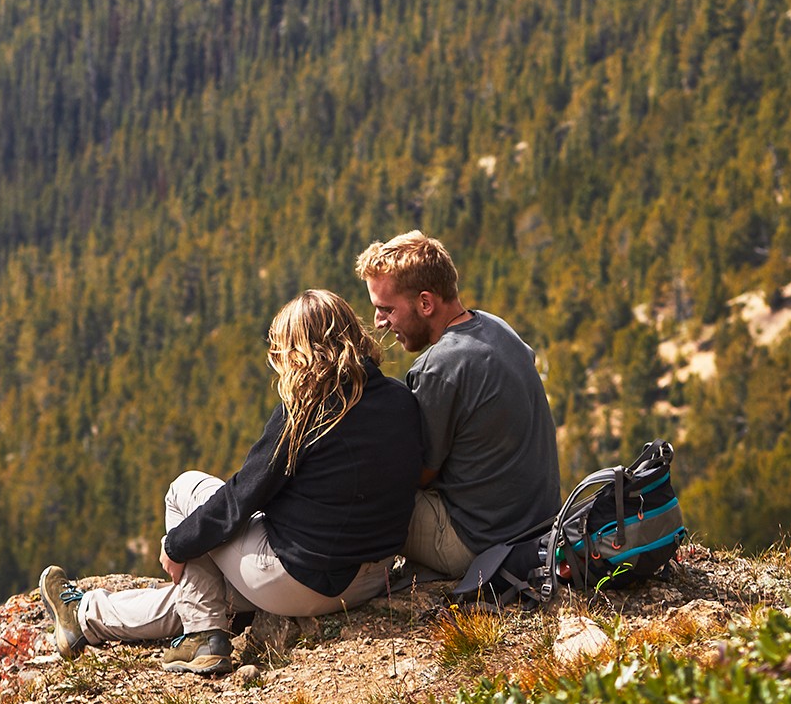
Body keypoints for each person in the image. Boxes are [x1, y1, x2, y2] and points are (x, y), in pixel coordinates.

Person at [38, 287, 423, 679]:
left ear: (301, 352)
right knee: (203, 595)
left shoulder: (306, 412)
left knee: (186, 489)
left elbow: (240, 496)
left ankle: (204, 638)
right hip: (368, 580)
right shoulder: (399, 399)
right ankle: (86, 617)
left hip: (300, 580)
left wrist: (177, 544)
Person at [356, 231, 561, 583]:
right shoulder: (498, 327)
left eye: (386, 309)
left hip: (478, 542)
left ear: (425, 303)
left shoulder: (438, 368)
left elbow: (419, 474)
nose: (379, 323)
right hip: (537, 524)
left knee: (358, 496)